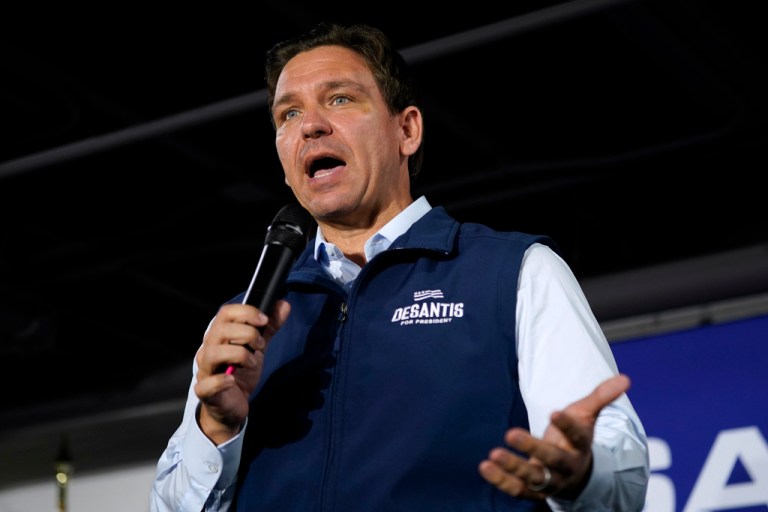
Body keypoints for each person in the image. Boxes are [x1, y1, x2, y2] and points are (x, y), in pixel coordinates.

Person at [150, 21, 649, 512]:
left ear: (407, 129)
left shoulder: (513, 272)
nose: (310, 125)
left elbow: (620, 479)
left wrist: (580, 475)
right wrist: (216, 426)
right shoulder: (244, 320)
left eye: (340, 99)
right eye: (288, 114)